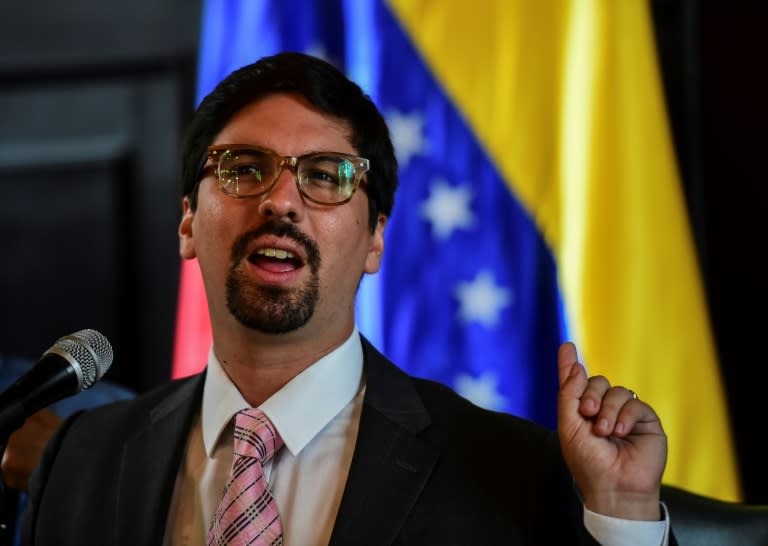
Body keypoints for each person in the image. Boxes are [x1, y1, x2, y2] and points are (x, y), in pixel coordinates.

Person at [20, 52, 674, 545]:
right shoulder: (82, 456)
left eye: (326, 176)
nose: (280, 200)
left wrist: (623, 513)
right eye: (244, 169)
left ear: (374, 240)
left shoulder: (511, 470)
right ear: (189, 221)